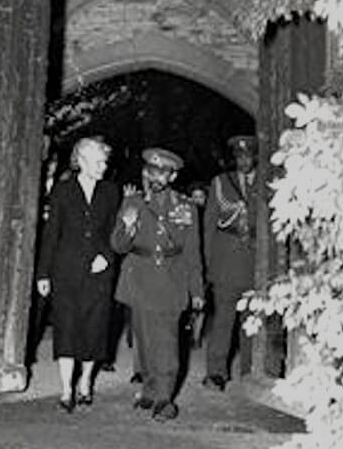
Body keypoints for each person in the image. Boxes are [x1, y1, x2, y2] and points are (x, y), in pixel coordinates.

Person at [111, 147, 205, 422]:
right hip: (139, 280)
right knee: (145, 340)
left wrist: (197, 290)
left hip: (170, 282)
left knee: (166, 341)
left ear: (172, 176)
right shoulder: (132, 203)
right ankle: (150, 390)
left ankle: (165, 399)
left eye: (162, 173)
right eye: (152, 171)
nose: (156, 177)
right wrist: (127, 227)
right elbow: (117, 245)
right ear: (145, 172)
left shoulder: (186, 208)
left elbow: (192, 252)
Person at [36, 136, 121, 413]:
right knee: (67, 328)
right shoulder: (62, 190)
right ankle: (65, 389)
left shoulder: (111, 192)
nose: (103, 167)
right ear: (81, 161)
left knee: (93, 330)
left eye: (105, 162)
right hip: (66, 271)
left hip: (99, 273)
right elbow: (51, 235)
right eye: (98, 162)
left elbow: (114, 234)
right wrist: (43, 274)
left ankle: (85, 382)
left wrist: (106, 258)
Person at [202, 135, 258, 391]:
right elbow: (209, 227)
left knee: (252, 322)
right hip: (225, 262)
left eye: (248, 156)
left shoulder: (269, 184)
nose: (243, 160)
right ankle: (216, 373)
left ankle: (252, 371)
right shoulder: (220, 183)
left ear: (256, 157)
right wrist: (207, 265)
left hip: (256, 264)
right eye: (239, 156)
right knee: (223, 320)